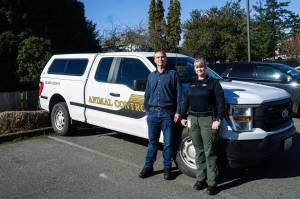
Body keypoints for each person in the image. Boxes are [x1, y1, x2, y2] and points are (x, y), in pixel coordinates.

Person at [181, 58, 224, 195]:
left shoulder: (213, 83)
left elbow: (220, 103)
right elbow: (186, 101)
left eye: (202, 67)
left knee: (209, 151)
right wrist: (182, 116)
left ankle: (212, 183)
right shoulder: (191, 84)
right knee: (198, 150)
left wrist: (218, 119)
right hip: (193, 119)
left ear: (206, 68)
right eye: (197, 67)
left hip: (208, 119)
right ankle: (200, 179)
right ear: (195, 69)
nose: (199, 69)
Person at [139, 50, 181, 180]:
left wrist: (178, 112)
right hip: (152, 114)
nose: (160, 59)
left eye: (162, 57)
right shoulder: (151, 76)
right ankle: (148, 166)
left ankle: (167, 169)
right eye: (158, 57)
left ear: (166, 59)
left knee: (168, 144)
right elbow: (147, 95)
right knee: (152, 142)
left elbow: (180, 95)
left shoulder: (173, 75)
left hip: (167, 115)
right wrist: (147, 110)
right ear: (154, 60)